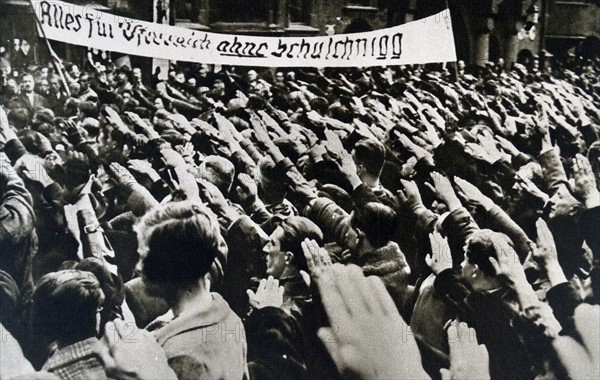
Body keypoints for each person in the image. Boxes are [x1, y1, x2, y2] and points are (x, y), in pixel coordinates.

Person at [135, 201, 250, 379]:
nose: (138, 268)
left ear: (173, 266)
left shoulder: (181, 356)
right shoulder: (226, 315)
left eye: (144, 258)